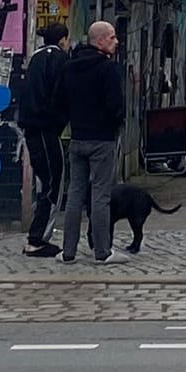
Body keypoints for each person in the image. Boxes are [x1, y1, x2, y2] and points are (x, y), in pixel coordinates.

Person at [57, 21, 127, 264]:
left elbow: (60, 100)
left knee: (75, 194)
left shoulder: (70, 67)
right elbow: (116, 105)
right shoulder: (107, 69)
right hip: (102, 140)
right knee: (100, 195)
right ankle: (102, 251)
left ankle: (68, 252)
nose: (116, 42)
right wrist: (114, 123)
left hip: (77, 137)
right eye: (112, 38)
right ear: (100, 41)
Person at [17, 23, 71, 257]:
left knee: (46, 180)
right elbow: (61, 93)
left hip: (31, 127)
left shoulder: (36, 60)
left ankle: (37, 236)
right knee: (53, 182)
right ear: (62, 40)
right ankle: (37, 238)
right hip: (46, 128)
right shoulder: (58, 60)